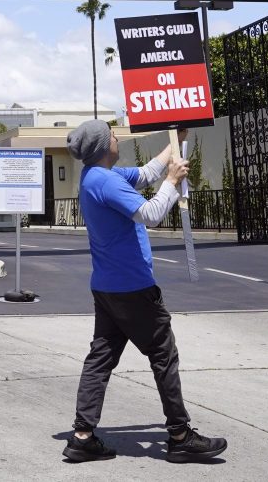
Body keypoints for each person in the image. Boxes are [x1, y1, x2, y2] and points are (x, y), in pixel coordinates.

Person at [60, 119, 228, 464]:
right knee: (163, 355)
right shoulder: (106, 182)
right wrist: (173, 180)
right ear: (102, 145)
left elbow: (148, 173)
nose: (117, 136)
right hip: (132, 288)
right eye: (111, 134)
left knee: (101, 358)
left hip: (108, 287)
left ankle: (82, 436)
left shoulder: (99, 175)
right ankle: (180, 435)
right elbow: (150, 213)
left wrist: (175, 137)